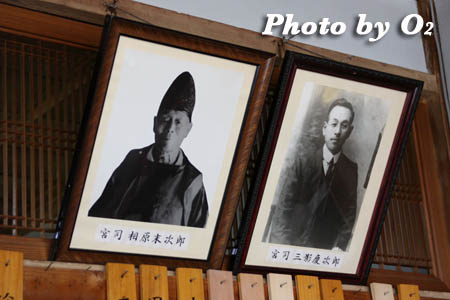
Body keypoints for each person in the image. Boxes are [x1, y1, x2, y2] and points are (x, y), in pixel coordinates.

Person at [88, 71, 208, 228]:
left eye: (178, 122)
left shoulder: (192, 181)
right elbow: (97, 216)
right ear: (155, 123)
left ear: (188, 130)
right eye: (165, 119)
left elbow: (197, 242)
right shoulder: (133, 160)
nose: (170, 129)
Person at [267, 98, 357, 251]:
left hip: (321, 250)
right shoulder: (303, 162)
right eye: (334, 124)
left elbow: (348, 217)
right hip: (289, 244)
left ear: (349, 131)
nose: (337, 132)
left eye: (344, 126)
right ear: (324, 128)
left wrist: (339, 247)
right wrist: (283, 250)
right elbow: (282, 212)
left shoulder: (350, 170)